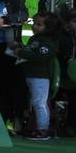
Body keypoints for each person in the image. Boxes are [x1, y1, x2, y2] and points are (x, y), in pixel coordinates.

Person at [12, 12, 60, 141]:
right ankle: (35, 128)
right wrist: (20, 48)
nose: (35, 27)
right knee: (34, 102)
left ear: (49, 27)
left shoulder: (48, 42)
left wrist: (21, 52)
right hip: (32, 75)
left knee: (40, 102)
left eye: (39, 25)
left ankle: (43, 129)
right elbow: (31, 51)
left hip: (41, 76)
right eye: (35, 23)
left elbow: (40, 56)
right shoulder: (35, 39)